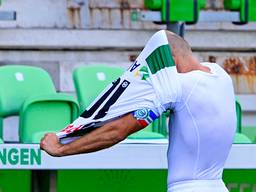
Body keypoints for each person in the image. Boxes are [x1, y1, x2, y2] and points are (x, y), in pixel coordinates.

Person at [40, 30, 236, 192]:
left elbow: (117, 132)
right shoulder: (221, 74)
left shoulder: (177, 87)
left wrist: (62, 148)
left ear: (171, 62)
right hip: (219, 186)